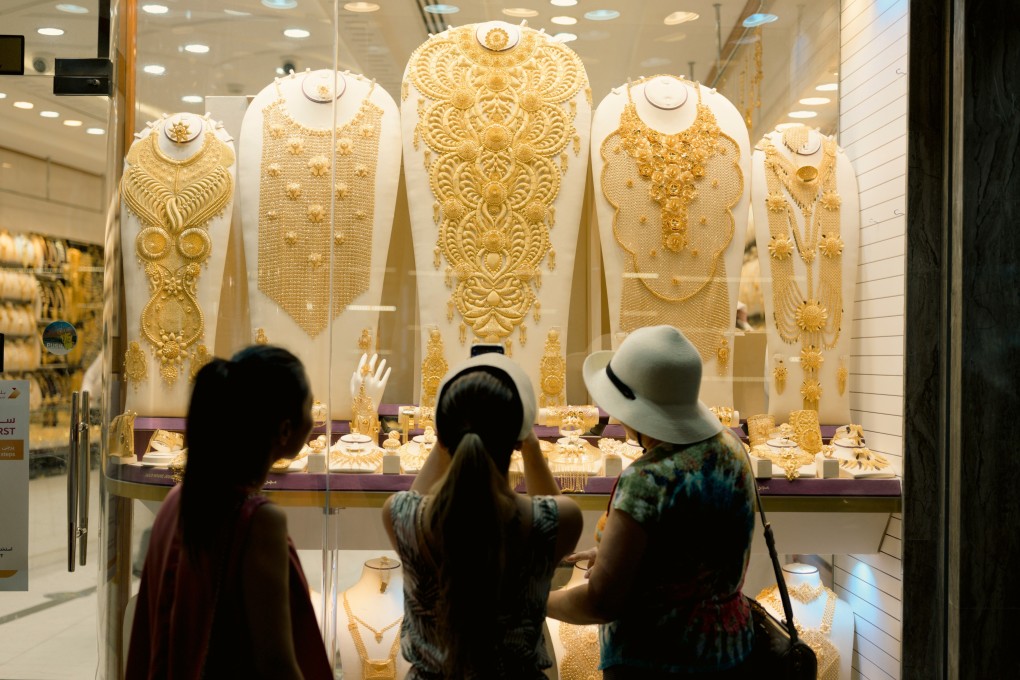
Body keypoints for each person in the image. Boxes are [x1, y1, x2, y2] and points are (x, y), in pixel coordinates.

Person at [547, 325, 756, 679]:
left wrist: (534, 601)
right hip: (732, 652)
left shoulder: (647, 480)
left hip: (655, 660)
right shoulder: (731, 449)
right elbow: (692, 549)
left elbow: (600, 602)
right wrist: (621, 554)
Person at [126, 346, 331, 680]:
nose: (315, 420)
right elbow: (276, 666)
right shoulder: (258, 522)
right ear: (285, 430)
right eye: (311, 407)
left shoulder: (178, 500)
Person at [382, 352, 583, 679]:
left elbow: (414, 500)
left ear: (443, 437)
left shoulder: (399, 514)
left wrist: (446, 438)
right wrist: (529, 444)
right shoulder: (557, 520)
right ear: (517, 439)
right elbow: (553, 509)